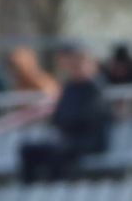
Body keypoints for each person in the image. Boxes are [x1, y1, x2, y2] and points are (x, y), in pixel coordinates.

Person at [17, 46, 112, 181]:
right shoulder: (70, 88)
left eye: (78, 65)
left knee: (60, 151)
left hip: (89, 140)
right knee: (28, 150)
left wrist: (68, 123)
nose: (75, 69)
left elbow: (90, 118)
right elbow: (59, 115)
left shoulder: (95, 87)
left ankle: (58, 185)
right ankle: (31, 188)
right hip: (68, 139)